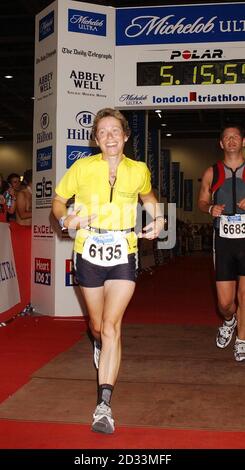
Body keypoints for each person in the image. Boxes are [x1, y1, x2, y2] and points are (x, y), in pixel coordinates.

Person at [52, 108, 164, 434]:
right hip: (88, 250)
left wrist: (156, 217)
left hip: (123, 251)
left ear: (126, 136)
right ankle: (98, 342)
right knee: (98, 326)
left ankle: (104, 405)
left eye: (115, 131)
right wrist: (66, 219)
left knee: (113, 326)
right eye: (103, 132)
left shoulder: (139, 169)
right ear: (96, 139)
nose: (110, 136)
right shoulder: (82, 167)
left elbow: (148, 196)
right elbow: (59, 201)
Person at [198, 123, 245, 362]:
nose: (232, 140)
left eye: (236, 137)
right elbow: (202, 201)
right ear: (221, 144)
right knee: (226, 303)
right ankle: (230, 320)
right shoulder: (212, 172)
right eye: (227, 137)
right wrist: (210, 208)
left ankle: (242, 339)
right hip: (224, 241)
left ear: (243, 142)